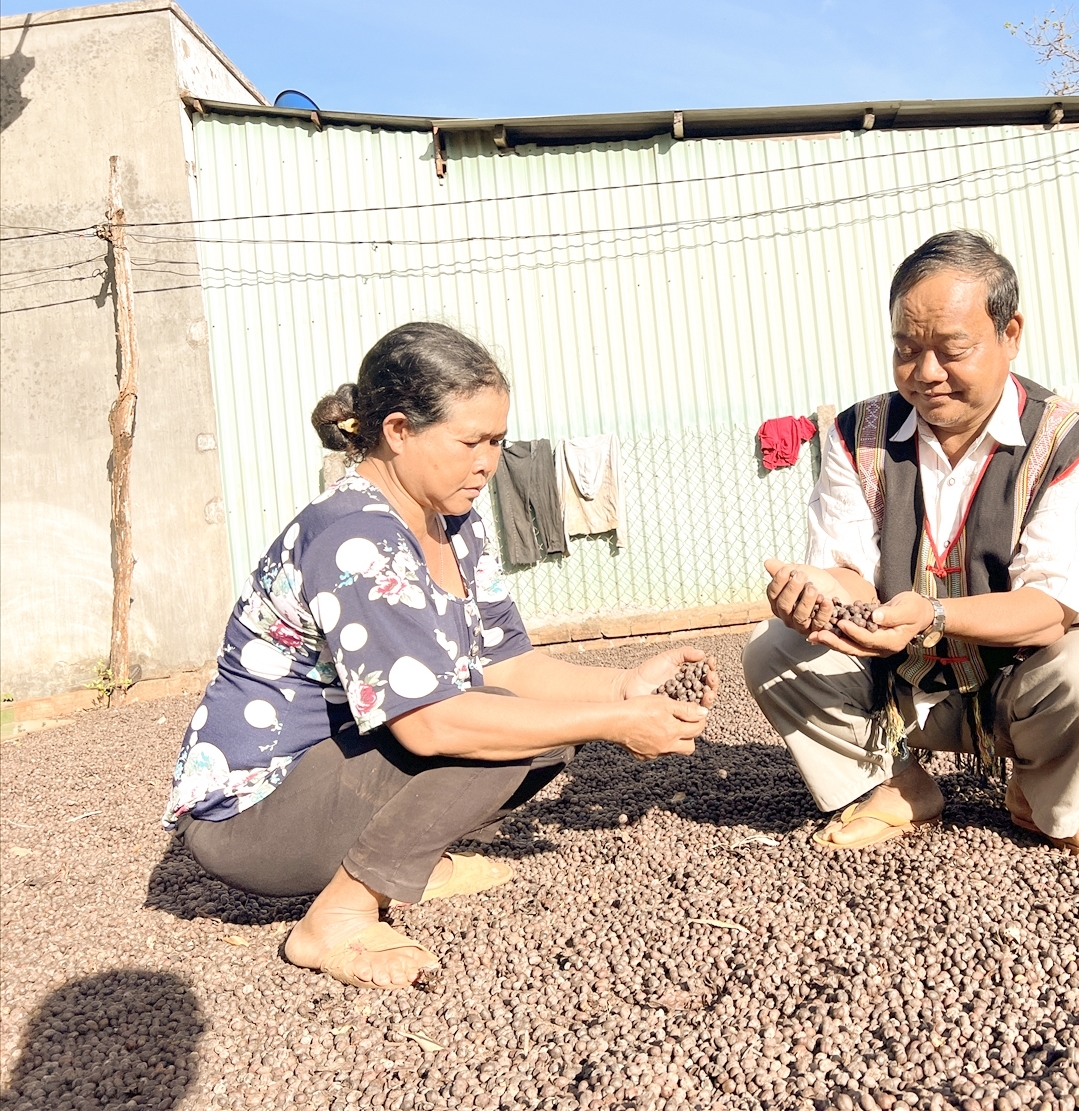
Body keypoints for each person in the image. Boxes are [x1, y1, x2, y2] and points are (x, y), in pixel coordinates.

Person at [162, 322, 717, 990]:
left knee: (542, 721)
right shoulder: (354, 537)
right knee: (503, 729)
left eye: (498, 441)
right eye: (470, 441)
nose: (488, 461)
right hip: (254, 818)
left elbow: (509, 664)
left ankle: (410, 859)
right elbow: (429, 726)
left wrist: (624, 688)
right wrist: (609, 723)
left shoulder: (453, 522)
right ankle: (337, 916)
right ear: (398, 431)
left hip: (331, 777)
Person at [742, 231, 1079, 853]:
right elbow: (849, 571)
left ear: (1010, 334)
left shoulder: (1073, 442)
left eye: (952, 349)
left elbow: (1051, 609)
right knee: (774, 649)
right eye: (906, 349)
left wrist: (931, 614)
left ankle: (1038, 792)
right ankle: (896, 786)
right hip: (897, 684)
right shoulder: (857, 435)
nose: (926, 374)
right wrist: (819, 592)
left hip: (1020, 689)